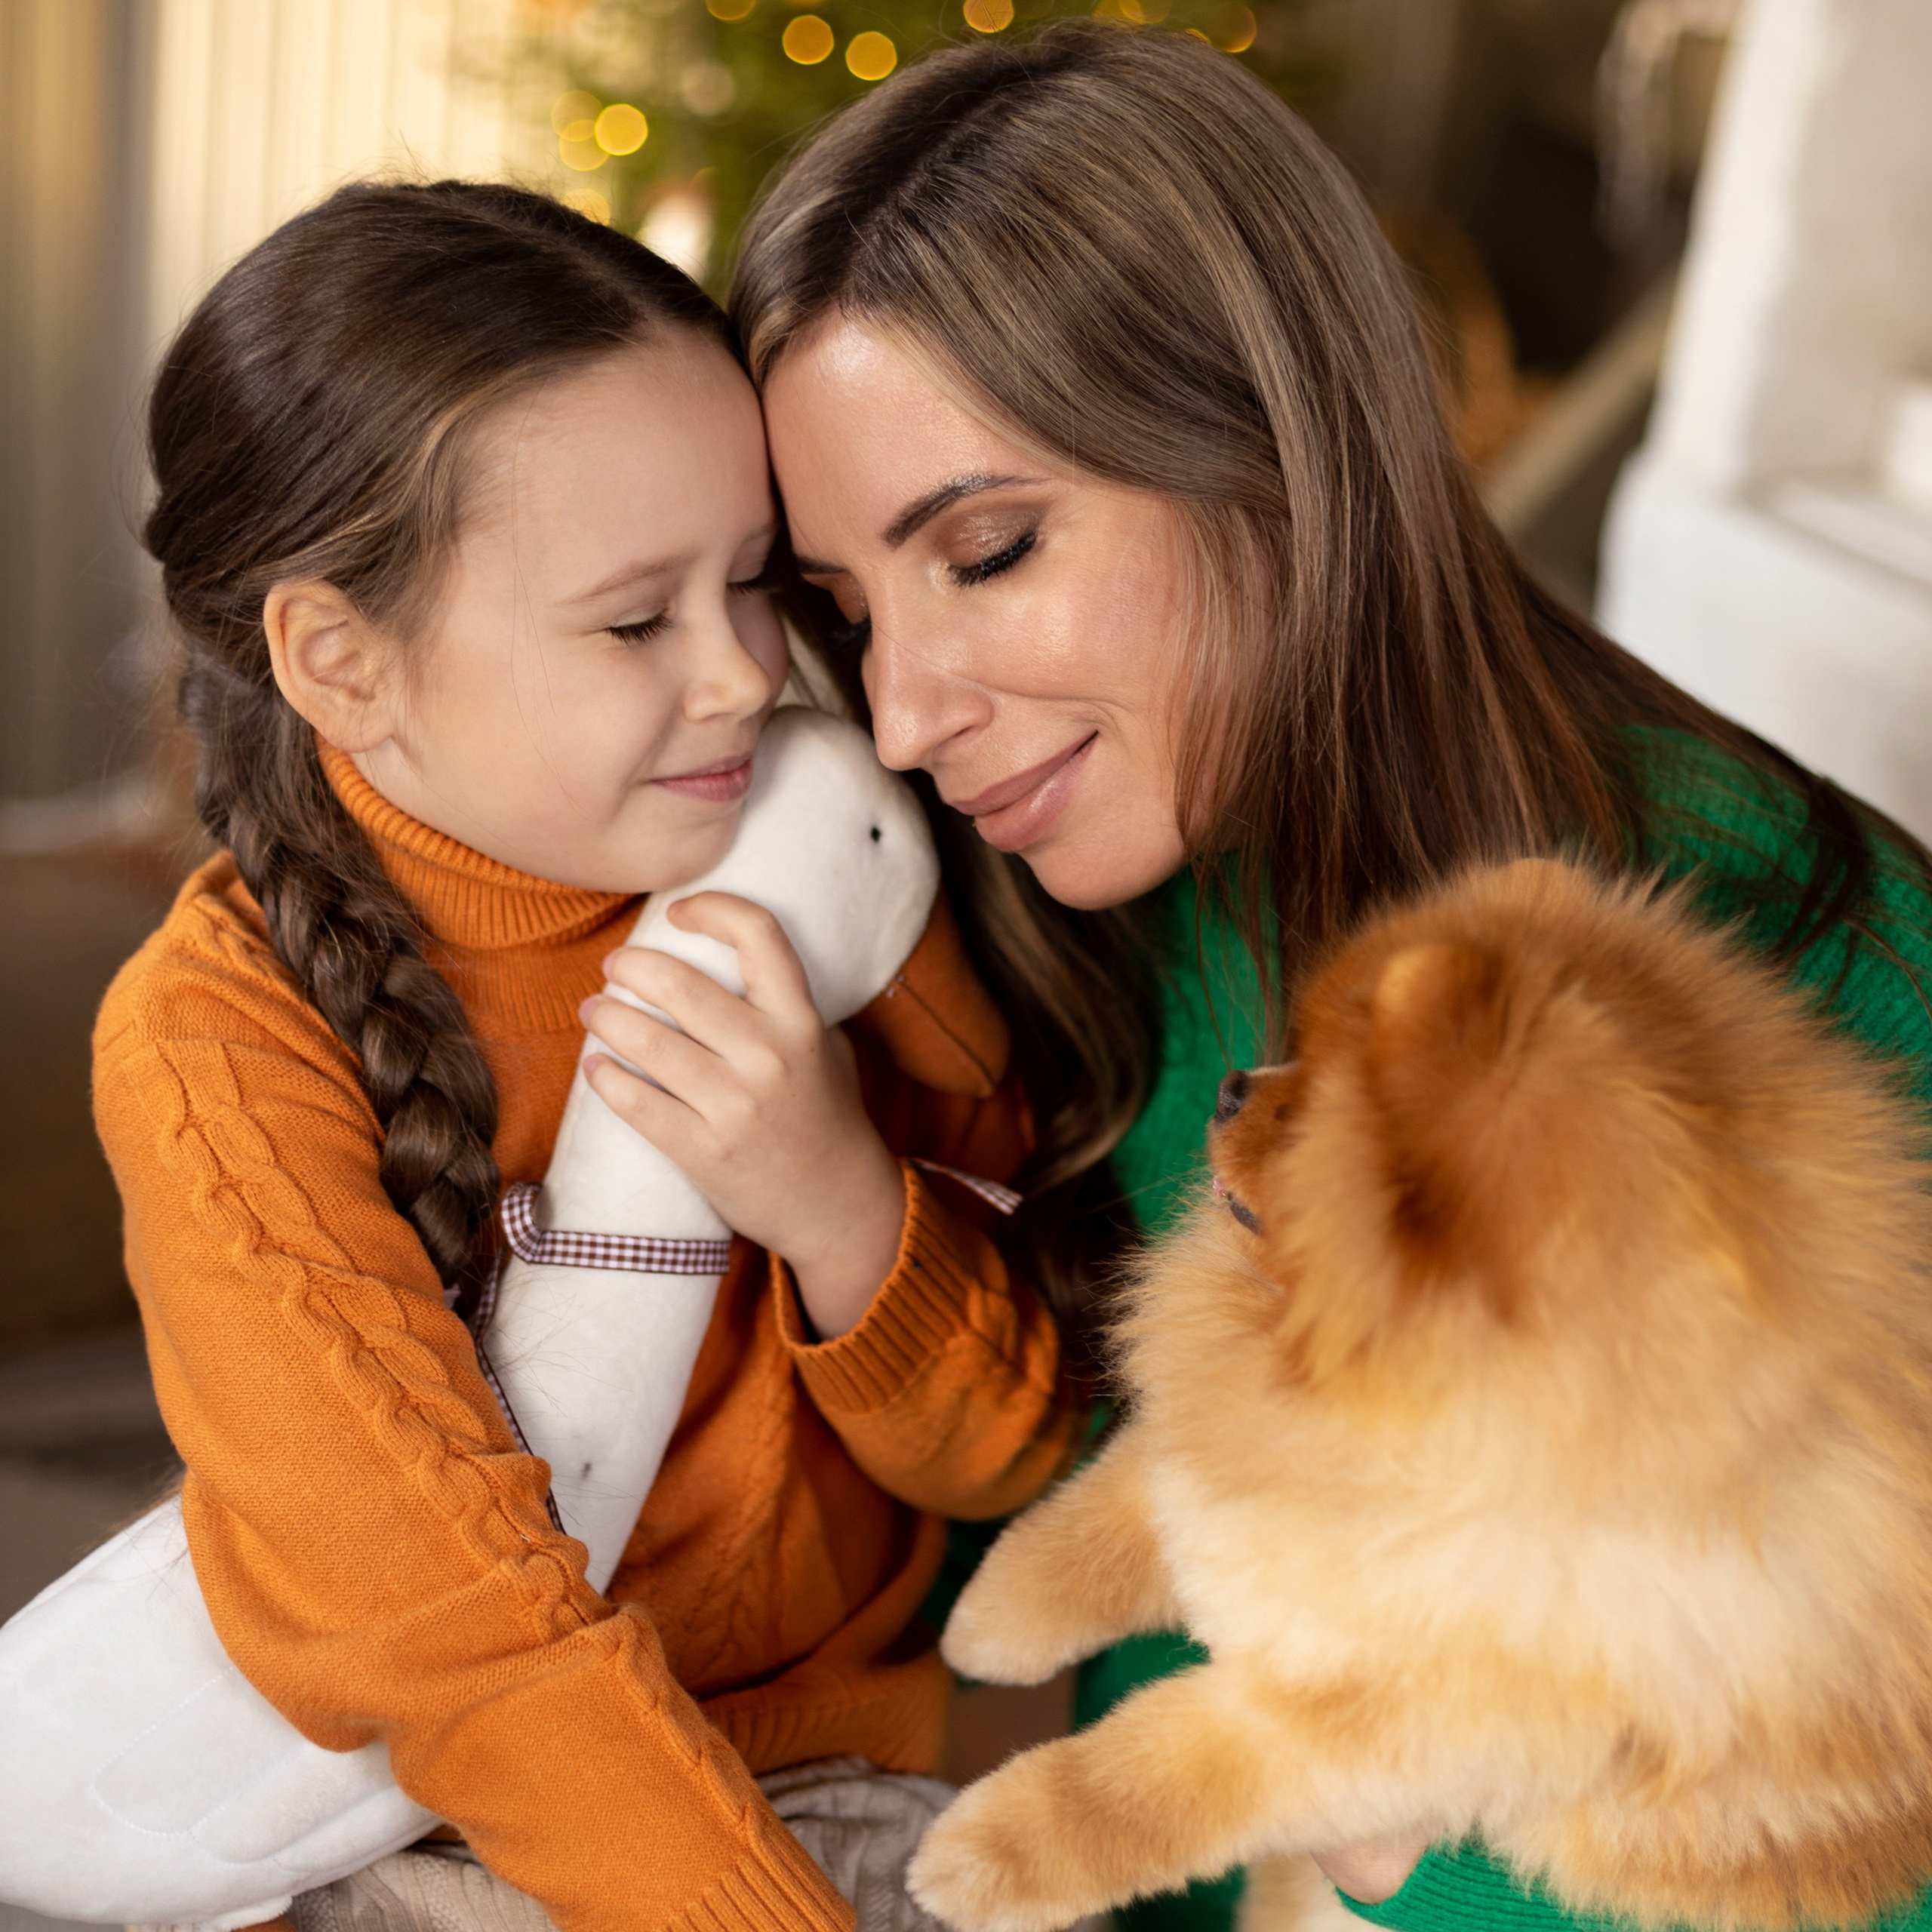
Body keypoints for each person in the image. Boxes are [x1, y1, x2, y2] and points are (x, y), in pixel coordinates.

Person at [731, 21, 1932, 1932]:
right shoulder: (1053, 898)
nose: (900, 712)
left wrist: (1388, 1840)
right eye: (845, 608)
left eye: (989, 547)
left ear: (1273, 451)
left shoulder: (1807, 990)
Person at [99, 180, 1078, 1932]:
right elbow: (446, 1626)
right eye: (635, 620)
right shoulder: (216, 1046)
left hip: (835, 1784)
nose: (743, 674)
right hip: (414, 1818)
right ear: (341, 661)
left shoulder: (826, 873)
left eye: (754, 581)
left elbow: (1008, 1453)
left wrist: (838, 1201)